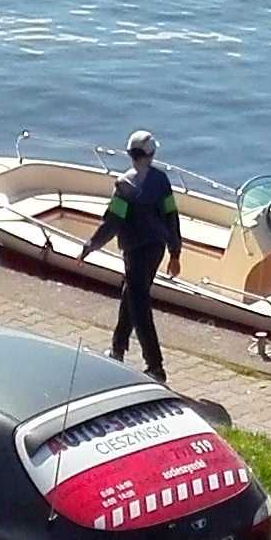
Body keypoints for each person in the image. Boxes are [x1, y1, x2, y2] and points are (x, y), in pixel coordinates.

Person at [79, 130, 180, 379]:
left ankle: (155, 365)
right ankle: (118, 348)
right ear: (152, 154)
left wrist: (90, 246)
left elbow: (112, 222)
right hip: (156, 249)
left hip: (135, 251)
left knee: (139, 304)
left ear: (130, 154)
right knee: (131, 293)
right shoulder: (161, 181)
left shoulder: (124, 186)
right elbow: (172, 217)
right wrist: (175, 252)